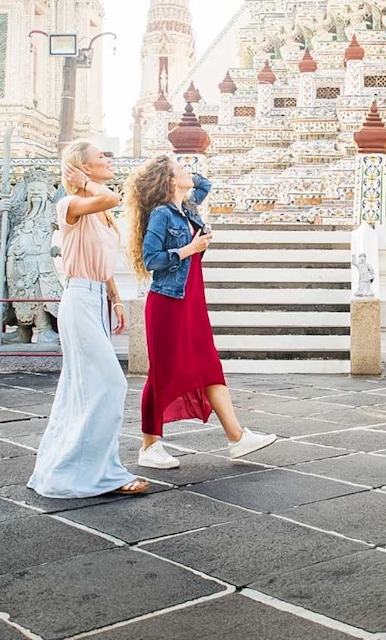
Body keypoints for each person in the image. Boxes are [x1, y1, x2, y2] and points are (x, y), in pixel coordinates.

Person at [126, 155, 276, 468]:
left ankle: (237, 437)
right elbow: (151, 259)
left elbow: (205, 183)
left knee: (209, 366)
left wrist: (185, 175)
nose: (187, 170)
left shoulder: (186, 209)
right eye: (179, 168)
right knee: (162, 374)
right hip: (168, 303)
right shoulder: (161, 215)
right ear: (168, 180)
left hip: (191, 301)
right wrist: (188, 250)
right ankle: (148, 446)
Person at [27, 140, 148, 497]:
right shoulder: (71, 204)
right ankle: (99, 474)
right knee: (110, 384)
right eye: (101, 156)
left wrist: (115, 299)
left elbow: (102, 255)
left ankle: (73, 471)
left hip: (96, 299)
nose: (108, 159)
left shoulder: (98, 213)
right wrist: (81, 182)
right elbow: (112, 197)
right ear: (82, 167)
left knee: (83, 391)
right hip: (78, 300)